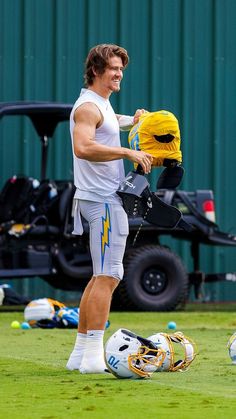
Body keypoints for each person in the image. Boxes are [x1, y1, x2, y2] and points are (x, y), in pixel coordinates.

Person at [66, 44, 153, 374]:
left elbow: (109, 120)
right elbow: (83, 146)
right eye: (113, 68)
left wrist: (135, 120)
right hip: (102, 201)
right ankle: (92, 358)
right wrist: (127, 154)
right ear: (96, 71)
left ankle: (80, 354)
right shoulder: (87, 106)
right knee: (109, 274)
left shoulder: (98, 103)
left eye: (121, 69)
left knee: (100, 275)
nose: (119, 74)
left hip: (99, 199)